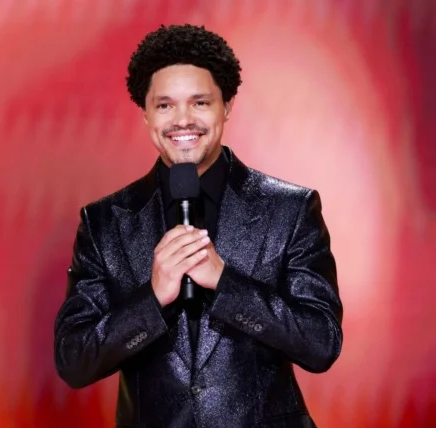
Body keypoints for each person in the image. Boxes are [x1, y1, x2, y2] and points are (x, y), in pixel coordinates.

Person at [53, 23, 343, 428]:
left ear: (227, 106)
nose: (183, 120)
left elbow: (321, 343)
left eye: (200, 102)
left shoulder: (290, 210)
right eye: (165, 105)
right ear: (145, 113)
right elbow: (73, 359)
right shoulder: (105, 222)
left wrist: (226, 283)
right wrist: (153, 298)